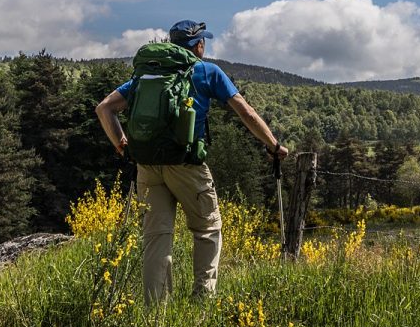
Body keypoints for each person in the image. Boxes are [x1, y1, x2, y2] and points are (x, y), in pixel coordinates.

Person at [94, 19, 287, 300]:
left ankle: (155, 313)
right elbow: (246, 113)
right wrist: (274, 145)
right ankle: (202, 301)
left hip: (147, 165)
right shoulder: (207, 71)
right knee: (208, 229)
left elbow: (104, 108)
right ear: (198, 45)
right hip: (186, 164)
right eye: (203, 42)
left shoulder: (147, 74)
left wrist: (122, 144)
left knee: (156, 238)